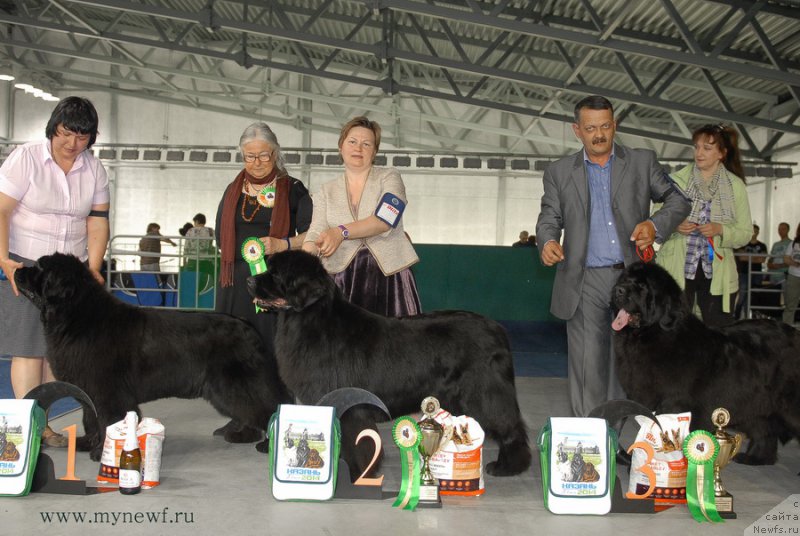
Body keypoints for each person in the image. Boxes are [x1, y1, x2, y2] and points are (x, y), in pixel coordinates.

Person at [535, 95, 690, 418]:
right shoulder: (559, 172)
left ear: (615, 125)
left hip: (632, 280)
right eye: (591, 128)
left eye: (605, 126)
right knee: (587, 363)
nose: (599, 134)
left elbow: (678, 200)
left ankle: (614, 438)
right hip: (584, 279)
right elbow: (549, 216)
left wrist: (655, 224)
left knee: (626, 363)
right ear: (577, 130)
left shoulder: (642, 161)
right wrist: (548, 240)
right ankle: (590, 443)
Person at [0, 96, 110, 447]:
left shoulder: (94, 169)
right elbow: (1, 211)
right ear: (53, 128)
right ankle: (30, 427)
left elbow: (97, 221)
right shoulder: (26, 158)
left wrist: (93, 267)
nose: (72, 144)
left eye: (82, 137)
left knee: (55, 348)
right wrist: (4, 259)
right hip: (27, 264)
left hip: (69, 273)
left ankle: (44, 423)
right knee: (28, 347)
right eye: (66, 134)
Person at [214, 121, 312, 439]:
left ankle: (277, 417)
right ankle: (242, 416)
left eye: (263, 156)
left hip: (274, 284)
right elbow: (220, 236)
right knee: (234, 350)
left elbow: (312, 235)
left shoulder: (293, 189)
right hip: (234, 284)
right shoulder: (232, 191)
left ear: (275, 153)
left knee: (273, 350)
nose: (256, 163)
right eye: (249, 156)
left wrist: (280, 244)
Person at [302, 116, 421, 316]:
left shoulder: (390, 177)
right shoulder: (325, 190)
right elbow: (315, 232)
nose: (359, 148)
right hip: (341, 279)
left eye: (367, 144)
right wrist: (301, 262)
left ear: (374, 152)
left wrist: (341, 232)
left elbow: (385, 220)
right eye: (352, 142)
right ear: (341, 147)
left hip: (391, 277)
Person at [655, 124, 753, 327]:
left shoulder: (736, 187)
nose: (699, 153)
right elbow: (654, 219)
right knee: (673, 333)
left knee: (718, 336)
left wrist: (721, 230)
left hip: (718, 275)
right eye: (696, 147)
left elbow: (745, 233)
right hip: (676, 271)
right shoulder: (674, 181)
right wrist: (674, 225)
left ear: (722, 153)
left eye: (707, 148)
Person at [733, 224, 767, 319]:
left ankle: (753, 317)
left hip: (757, 273)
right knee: (743, 294)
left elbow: (762, 260)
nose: (754, 233)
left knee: (755, 295)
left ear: (758, 232)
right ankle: (737, 315)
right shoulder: (743, 244)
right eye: (752, 231)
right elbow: (741, 257)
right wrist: (755, 257)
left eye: (756, 231)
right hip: (744, 273)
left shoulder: (762, 245)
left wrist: (748, 257)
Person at [783, 223, 800, 325]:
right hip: (794, 276)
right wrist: (795, 263)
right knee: (790, 305)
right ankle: (786, 329)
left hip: (793, 275)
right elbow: (786, 258)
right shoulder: (793, 243)